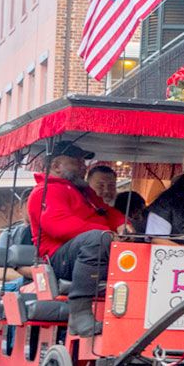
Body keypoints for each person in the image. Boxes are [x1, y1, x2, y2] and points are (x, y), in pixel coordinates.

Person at [28, 141, 125, 334]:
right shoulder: (46, 191)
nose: (84, 168)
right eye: (78, 163)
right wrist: (109, 234)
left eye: (83, 163)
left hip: (90, 250)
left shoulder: (84, 192)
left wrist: (124, 224)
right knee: (97, 238)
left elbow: (108, 212)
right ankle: (79, 313)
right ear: (56, 166)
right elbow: (59, 225)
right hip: (60, 259)